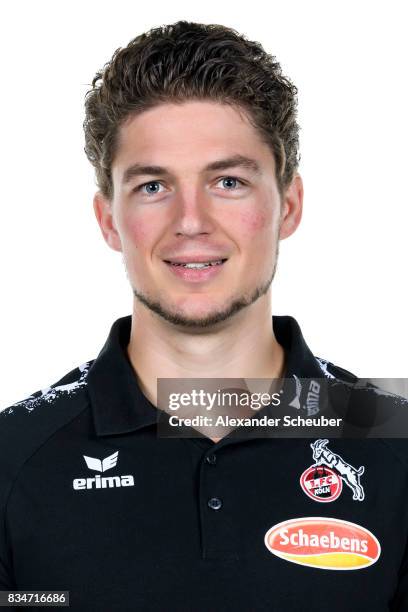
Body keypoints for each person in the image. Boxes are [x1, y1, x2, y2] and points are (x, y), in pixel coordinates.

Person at [1, 20, 407, 612]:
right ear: (109, 219)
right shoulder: (13, 458)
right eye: (152, 186)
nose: (191, 221)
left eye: (228, 181)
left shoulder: (394, 445)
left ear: (288, 206)